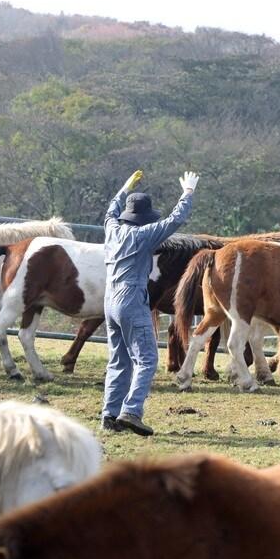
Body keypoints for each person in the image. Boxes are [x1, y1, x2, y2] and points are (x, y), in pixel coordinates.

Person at [101, 169, 199, 435]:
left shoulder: (112, 229)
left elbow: (111, 210)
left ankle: (109, 415)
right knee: (146, 359)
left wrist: (123, 189)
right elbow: (175, 219)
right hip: (131, 297)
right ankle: (131, 411)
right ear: (143, 217)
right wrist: (188, 192)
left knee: (119, 360)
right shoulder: (143, 236)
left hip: (109, 299)